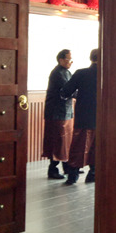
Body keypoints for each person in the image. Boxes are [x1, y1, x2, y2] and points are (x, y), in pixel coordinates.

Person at [60, 48, 98, 185]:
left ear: (91, 58)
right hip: (102, 118)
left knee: (78, 147)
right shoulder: (110, 74)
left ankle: (72, 176)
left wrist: (77, 95)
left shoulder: (81, 73)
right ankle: (93, 174)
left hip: (84, 116)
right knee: (97, 148)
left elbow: (65, 92)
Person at [42, 49, 74, 179]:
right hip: (56, 113)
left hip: (65, 111)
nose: (70, 62)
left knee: (66, 141)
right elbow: (69, 90)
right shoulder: (58, 73)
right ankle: (53, 169)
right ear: (61, 60)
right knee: (57, 141)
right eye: (68, 59)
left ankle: (68, 167)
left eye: (71, 60)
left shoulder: (66, 72)